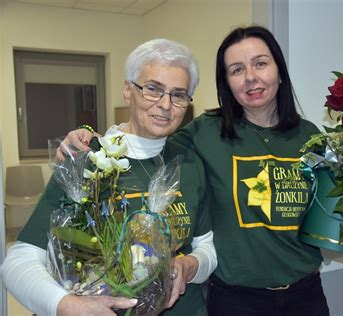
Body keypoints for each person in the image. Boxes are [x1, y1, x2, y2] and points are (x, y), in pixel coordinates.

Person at [58, 25, 329, 315]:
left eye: (260, 63)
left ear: (279, 69)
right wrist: (90, 136)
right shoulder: (206, 131)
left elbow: (324, 214)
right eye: (236, 70)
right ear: (226, 82)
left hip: (306, 294)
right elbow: (144, 140)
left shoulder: (310, 136)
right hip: (237, 300)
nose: (250, 77)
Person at [2, 38, 217, 316]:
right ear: (128, 90)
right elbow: (19, 261)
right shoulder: (85, 158)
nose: (165, 105)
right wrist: (66, 306)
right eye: (153, 89)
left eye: (178, 95)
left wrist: (191, 266)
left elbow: (207, 247)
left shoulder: (188, 163)